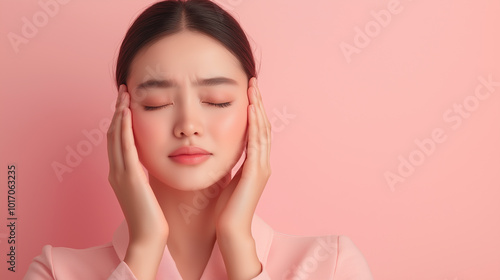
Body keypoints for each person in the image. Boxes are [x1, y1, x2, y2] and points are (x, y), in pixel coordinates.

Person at [24, 0, 374, 279]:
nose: (188, 125)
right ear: (123, 116)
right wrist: (143, 250)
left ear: (255, 109)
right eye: (156, 103)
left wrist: (239, 245)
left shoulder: (330, 265)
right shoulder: (56, 271)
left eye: (217, 100)